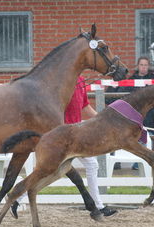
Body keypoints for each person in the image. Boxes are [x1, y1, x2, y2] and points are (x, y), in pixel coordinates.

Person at [11, 76, 117, 218]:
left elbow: (84, 105)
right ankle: (16, 198)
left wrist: (101, 118)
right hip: (63, 134)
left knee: (90, 165)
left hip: (76, 132)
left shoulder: (80, 81)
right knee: (46, 170)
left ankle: (98, 206)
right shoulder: (61, 80)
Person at [106, 56, 154, 170]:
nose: (143, 67)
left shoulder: (153, 79)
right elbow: (123, 96)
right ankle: (117, 162)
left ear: (148, 66)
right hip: (132, 117)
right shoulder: (131, 79)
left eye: (146, 65)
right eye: (141, 65)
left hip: (149, 117)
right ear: (138, 66)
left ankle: (140, 163)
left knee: (148, 137)